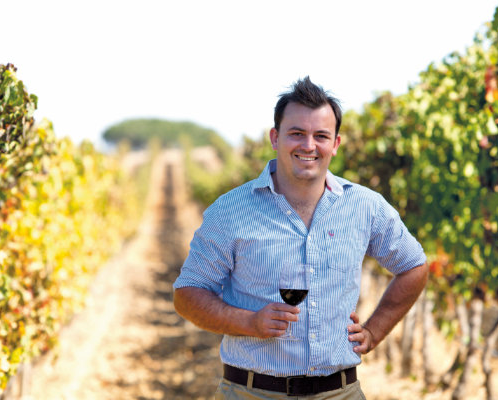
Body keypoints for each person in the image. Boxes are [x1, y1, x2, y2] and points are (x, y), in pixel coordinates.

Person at [173, 76, 428, 399]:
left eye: (321, 136)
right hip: (252, 393)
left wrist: (375, 331)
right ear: (275, 138)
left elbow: (414, 266)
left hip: (339, 393)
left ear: (335, 144)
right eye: (297, 134)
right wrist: (250, 322)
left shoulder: (365, 206)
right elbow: (187, 294)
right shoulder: (230, 211)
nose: (309, 145)